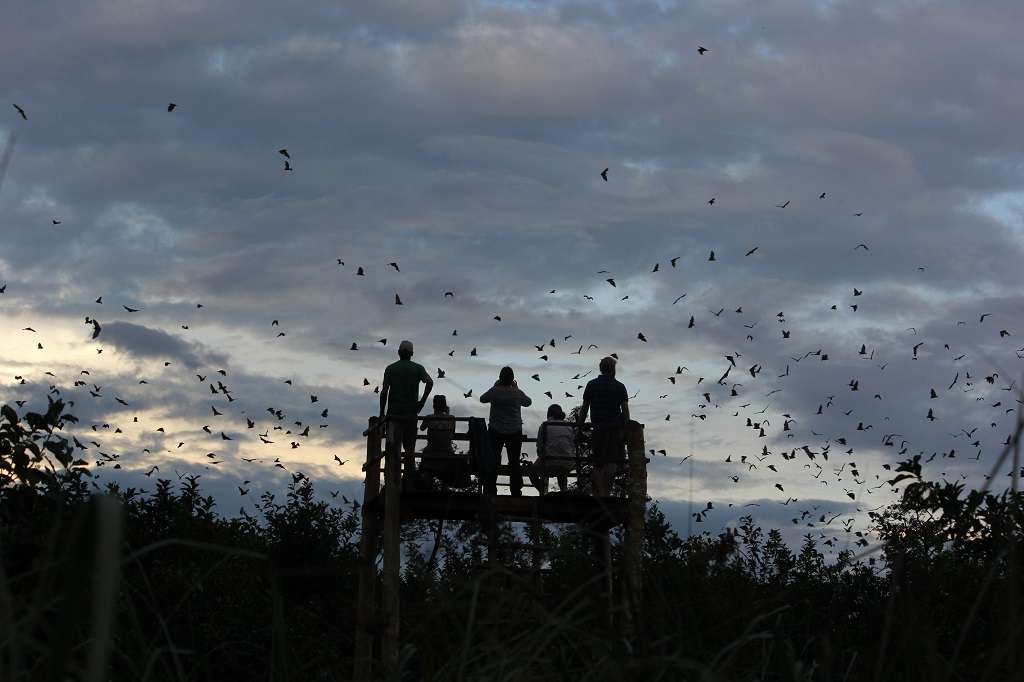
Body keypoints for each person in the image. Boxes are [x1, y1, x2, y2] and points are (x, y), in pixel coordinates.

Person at [379, 340, 433, 480]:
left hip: (393, 416)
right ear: (412, 354)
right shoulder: (418, 368)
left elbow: (384, 391)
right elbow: (430, 382)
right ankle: (409, 479)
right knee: (410, 449)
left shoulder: (390, 369)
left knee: (392, 448)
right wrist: (422, 402)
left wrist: (381, 413)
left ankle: (391, 479)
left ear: (398, 353)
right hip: (410, 414)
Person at [577, 356, 629, 496]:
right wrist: (625, 430)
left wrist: (579, 427)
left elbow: (584, 408)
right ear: (613, 370)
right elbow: (625, 412)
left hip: (598, 429)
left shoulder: (591, 385)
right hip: (615, 430)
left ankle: (600, 493)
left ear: (601, 369)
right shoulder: (620, 386)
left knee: (598, 463)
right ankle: (606, 492)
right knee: (611, 462)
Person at [479, 366, 532, 496]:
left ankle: (490, 489)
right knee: (514, 461)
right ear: (513, 379)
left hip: (495, 430)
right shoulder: (516, 393)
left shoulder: (494, 391)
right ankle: (515, 490)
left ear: (500, 378)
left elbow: (482, 398)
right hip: (514, 431)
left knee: (494, 460)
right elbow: (528, 402)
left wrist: (494, 386)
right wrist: (516, 388)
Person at [531, 404, 576, 494]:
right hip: (568, 462)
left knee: (532, 471)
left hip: (549, 462)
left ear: (549, 414)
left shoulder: (545, 425)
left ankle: (543, 490)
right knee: (562, 467)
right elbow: (572, 444)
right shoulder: (568, 426)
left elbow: (539, 446)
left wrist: (541, 457)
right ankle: (564, 490)